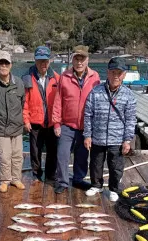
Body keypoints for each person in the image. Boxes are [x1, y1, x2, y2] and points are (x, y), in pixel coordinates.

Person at [83, 57, 137, 202]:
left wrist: (127, 140)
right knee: (95, 163)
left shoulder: (129, 95)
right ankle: (96, 185)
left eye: (119, 73)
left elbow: (131, 119)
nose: (116, 76)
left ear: (124, 75)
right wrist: (87, 135)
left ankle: (114, 188)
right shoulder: (95, 92)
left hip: (117, 138)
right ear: (107, 73)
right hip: (98, 136)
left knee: (116, 166)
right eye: (113, 72)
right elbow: (88, 114)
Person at [52, 45, 100, 194]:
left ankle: (78, 179)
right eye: (77, 59)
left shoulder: (95, 77)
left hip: (85, 126)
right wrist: (56, 123)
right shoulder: (65, 77)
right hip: (67, 124)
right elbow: (58, 100)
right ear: (72, 60)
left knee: (82, 156)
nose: (79, 62)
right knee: (62, 154)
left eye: (82, 59)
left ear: (87, 60)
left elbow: (98, 101)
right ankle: (62, 182)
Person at [0, 50, 25, 193]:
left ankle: (16, 179)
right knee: (4, 156)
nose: (3, 66)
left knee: (17, 155)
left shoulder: (19, 82)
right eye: (0, 63)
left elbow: (23, 103)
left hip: (17, 127)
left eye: (6, 63)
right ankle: (4, 180)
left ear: (11, 65)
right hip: (0, 127)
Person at [22, 46, 59, 184]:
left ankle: (50, 175)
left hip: (52, 122)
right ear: (35, 61)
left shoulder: (56, 78)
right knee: (35, 151)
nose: (43, 64)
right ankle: (36, 174)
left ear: (49, 61)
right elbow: (24, 102)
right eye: (40, 61)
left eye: (45, 61)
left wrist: (58, 121)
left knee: (52, 151)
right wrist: (26, 120)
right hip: (35, 121)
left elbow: (60, 102)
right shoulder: (27, 78)